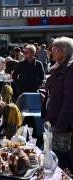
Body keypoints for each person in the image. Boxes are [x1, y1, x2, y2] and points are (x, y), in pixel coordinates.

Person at [46, 37, 73, 171]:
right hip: (53, 121)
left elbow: (69, 101)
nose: (51, 53)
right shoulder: (57, 68)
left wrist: (60, 125)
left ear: (65, 51)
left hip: (63, 126)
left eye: (55, 50)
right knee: (53, 158)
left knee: (61, 163)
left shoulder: (70, 69)